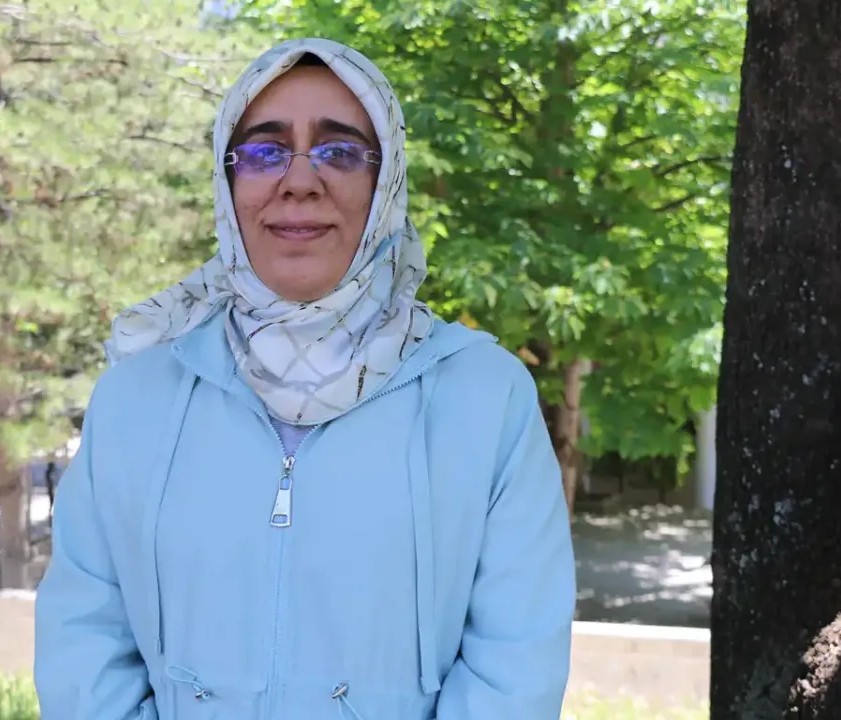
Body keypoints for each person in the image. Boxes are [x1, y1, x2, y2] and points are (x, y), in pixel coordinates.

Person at [33, 38, 577, 719]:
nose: (298, 181)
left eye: (339, 151)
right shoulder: (136, 397)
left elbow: (514, 668)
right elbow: (84, 646)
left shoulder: (486, 398)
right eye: (264, 152)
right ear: (227, 183)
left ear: (386, 184)